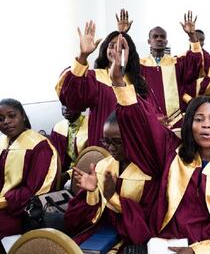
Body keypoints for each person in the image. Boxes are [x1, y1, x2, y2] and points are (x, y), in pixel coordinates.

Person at [109, 35, 210, 253]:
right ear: (188, 125)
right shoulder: (172, 154)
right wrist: (119, 82)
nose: (206, 126)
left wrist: (198, 250)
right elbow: (144, 126)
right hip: (168, 243)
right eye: (199, 119)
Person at [64, 111, 155, 252]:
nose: (111, 148)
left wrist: (112, 197)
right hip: (99, 235)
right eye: (106, 141)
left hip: (130, 241)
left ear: (134, 138)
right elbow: (74, 222)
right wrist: (92, 193)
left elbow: (148, 225)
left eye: (117, 142)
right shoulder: (102, 167)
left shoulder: (149, 174)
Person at [56, 20, 153, 147]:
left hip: (135, 147)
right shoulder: (95, 78)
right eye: (111, 46)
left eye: (121, 47)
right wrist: (83, 56)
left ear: (129, 52)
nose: (116, 50)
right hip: (106, 149)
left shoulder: (138, 82)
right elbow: (71, 99)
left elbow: (149, 113)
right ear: (105, 50)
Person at [0, 98, 59, 238]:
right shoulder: (4, 142)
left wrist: (5, 201)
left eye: (12, 116)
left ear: (23, 116)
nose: (6, 121)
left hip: (20, 211)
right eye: (1, 118)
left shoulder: (39, 146)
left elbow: (34, 189)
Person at [139, 11, 203, 128]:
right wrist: (122, 34)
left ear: (166, 42)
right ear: (149, 41)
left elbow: (195, 60)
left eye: (162, 37)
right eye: (155, 36)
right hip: (149, 119)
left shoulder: (176, 63)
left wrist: (192, 35)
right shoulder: (139, 65)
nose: (159, 39)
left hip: (175, 119)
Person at [50, 105, 88, 185]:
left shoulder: (91, 127)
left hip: (85, 173)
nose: (66, 108)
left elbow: (92, 159)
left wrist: (68, 174)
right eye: (63, 104)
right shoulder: (58, 128)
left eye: (70, 103)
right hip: (62, 172)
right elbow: (52, 157)